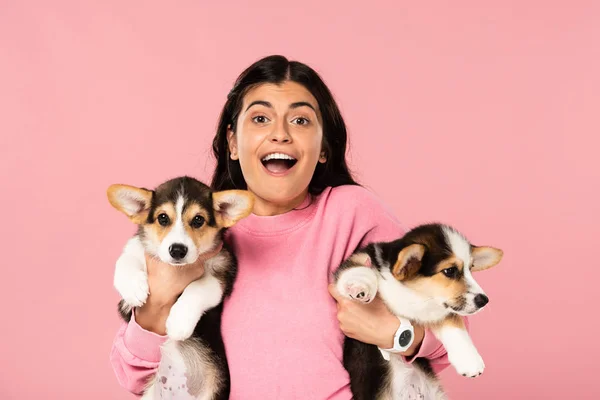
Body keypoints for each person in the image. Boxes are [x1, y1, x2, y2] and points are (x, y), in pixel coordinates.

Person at [110, 55, 463, 399]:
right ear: (233, 142)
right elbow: (134, 374)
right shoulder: (195, 231)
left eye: (300, 121)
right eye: (261, 118)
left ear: (323, 148)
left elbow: (447, 324)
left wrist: (396, 333)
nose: (280, 134)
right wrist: (157, 303)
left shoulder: (353, 212)